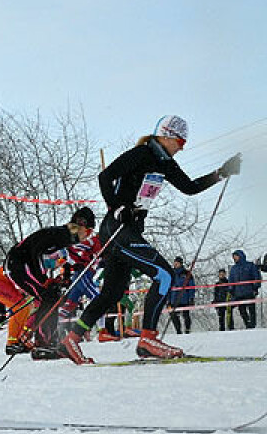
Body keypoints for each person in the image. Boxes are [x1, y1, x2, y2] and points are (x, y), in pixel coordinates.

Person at [60, 116, 242, 364]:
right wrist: (116, 207)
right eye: (179, 140)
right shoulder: (141, 154)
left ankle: (72, 337)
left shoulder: (165, 164)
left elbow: (189, 187)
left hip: (127, 232)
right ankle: (148, 338)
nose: (181, 146)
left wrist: (221, 173)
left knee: (112, 292)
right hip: (117, 229)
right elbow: (105, 177)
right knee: (164, 274)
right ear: (165, 136)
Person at [0, 208, 98, 358]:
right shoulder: (61, 234)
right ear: (80, 225)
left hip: (23, 264)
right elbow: (34, 251)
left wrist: (69, 269)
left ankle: (46, 340)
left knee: (52, 295)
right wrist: (42, 280)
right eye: (88, 231)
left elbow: (58, 259)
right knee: (48, 296)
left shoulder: (65, 237)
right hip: (19, 264)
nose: (88, 236)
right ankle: (43, 344)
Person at [229, 250, 262, 329]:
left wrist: (256, 287)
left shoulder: (250, 265)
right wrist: (231, 290)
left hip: (249, 291)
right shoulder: (233, 268)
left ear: (240, 256)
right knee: (242, 310)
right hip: (238, 293)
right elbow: (231, 280)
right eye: (233, 257)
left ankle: (253, 324)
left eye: (236, 256)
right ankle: (247, 324)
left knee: (251, 309)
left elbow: (256, 276)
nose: (234, 258)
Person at [167, 256, 195, 335]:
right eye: (174, 263)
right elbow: (168, 287)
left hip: (184, 298)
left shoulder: (187, 273)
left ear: (181, 264)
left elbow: (192, 286)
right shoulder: (171, 274)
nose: (175, 264)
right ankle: (178, 330)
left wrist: (191, 298)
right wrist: (168, 300)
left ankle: (187, 329)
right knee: (173, 315)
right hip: (173, 298)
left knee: (186, 315)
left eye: (177, 263)